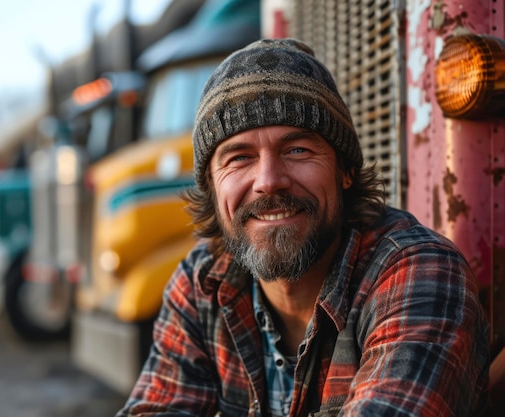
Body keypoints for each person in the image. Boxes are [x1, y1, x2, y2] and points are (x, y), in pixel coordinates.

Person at [116, 38, 490, 417]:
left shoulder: (421, 272)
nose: (269, 180)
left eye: (297, 150)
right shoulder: (201, 284)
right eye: (239, 157)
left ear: (344, 170)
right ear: (212, 188)